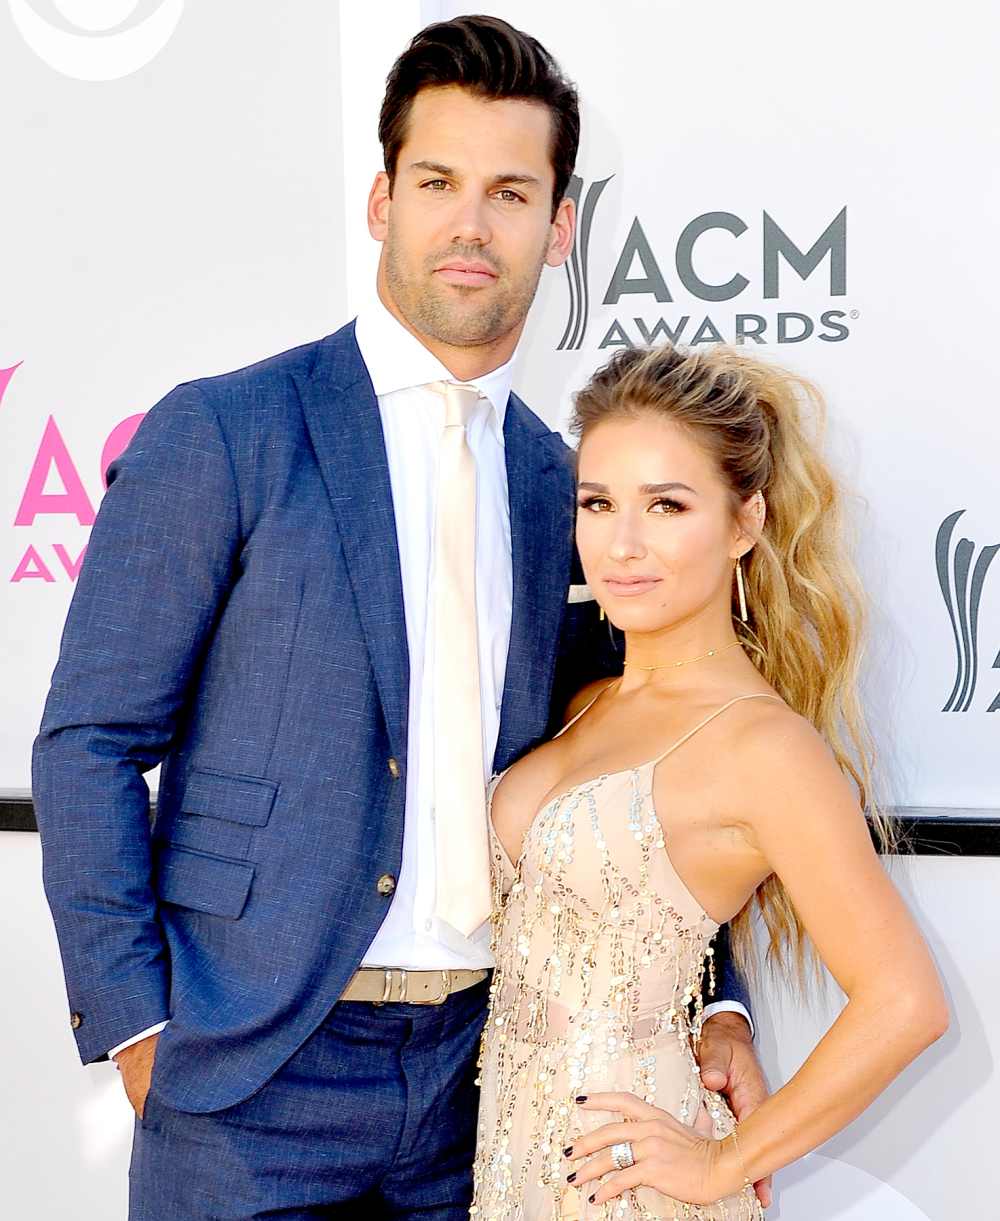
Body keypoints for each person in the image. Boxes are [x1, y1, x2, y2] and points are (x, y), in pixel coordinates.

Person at [31, 16, 765, 1221]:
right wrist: (139, 1029)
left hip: (495, 1070)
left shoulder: (568, 488)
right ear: (381, 200)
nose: (470, 224)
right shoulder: (227, 431)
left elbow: (636, 769)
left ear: (559, 226)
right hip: (251, 1071)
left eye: (510, 191)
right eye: (437, 183)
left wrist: (713, 997)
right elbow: (89, 744)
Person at [472, 341, 949, 1219]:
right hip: (511, 1164)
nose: (621, 543)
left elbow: (906, 1001)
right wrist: (719, 1014)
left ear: (744, 523)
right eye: (597, 502)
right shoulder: (581, 699)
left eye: (667, 505)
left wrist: (721, 1162)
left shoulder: (765, 746)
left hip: (633, 1184)